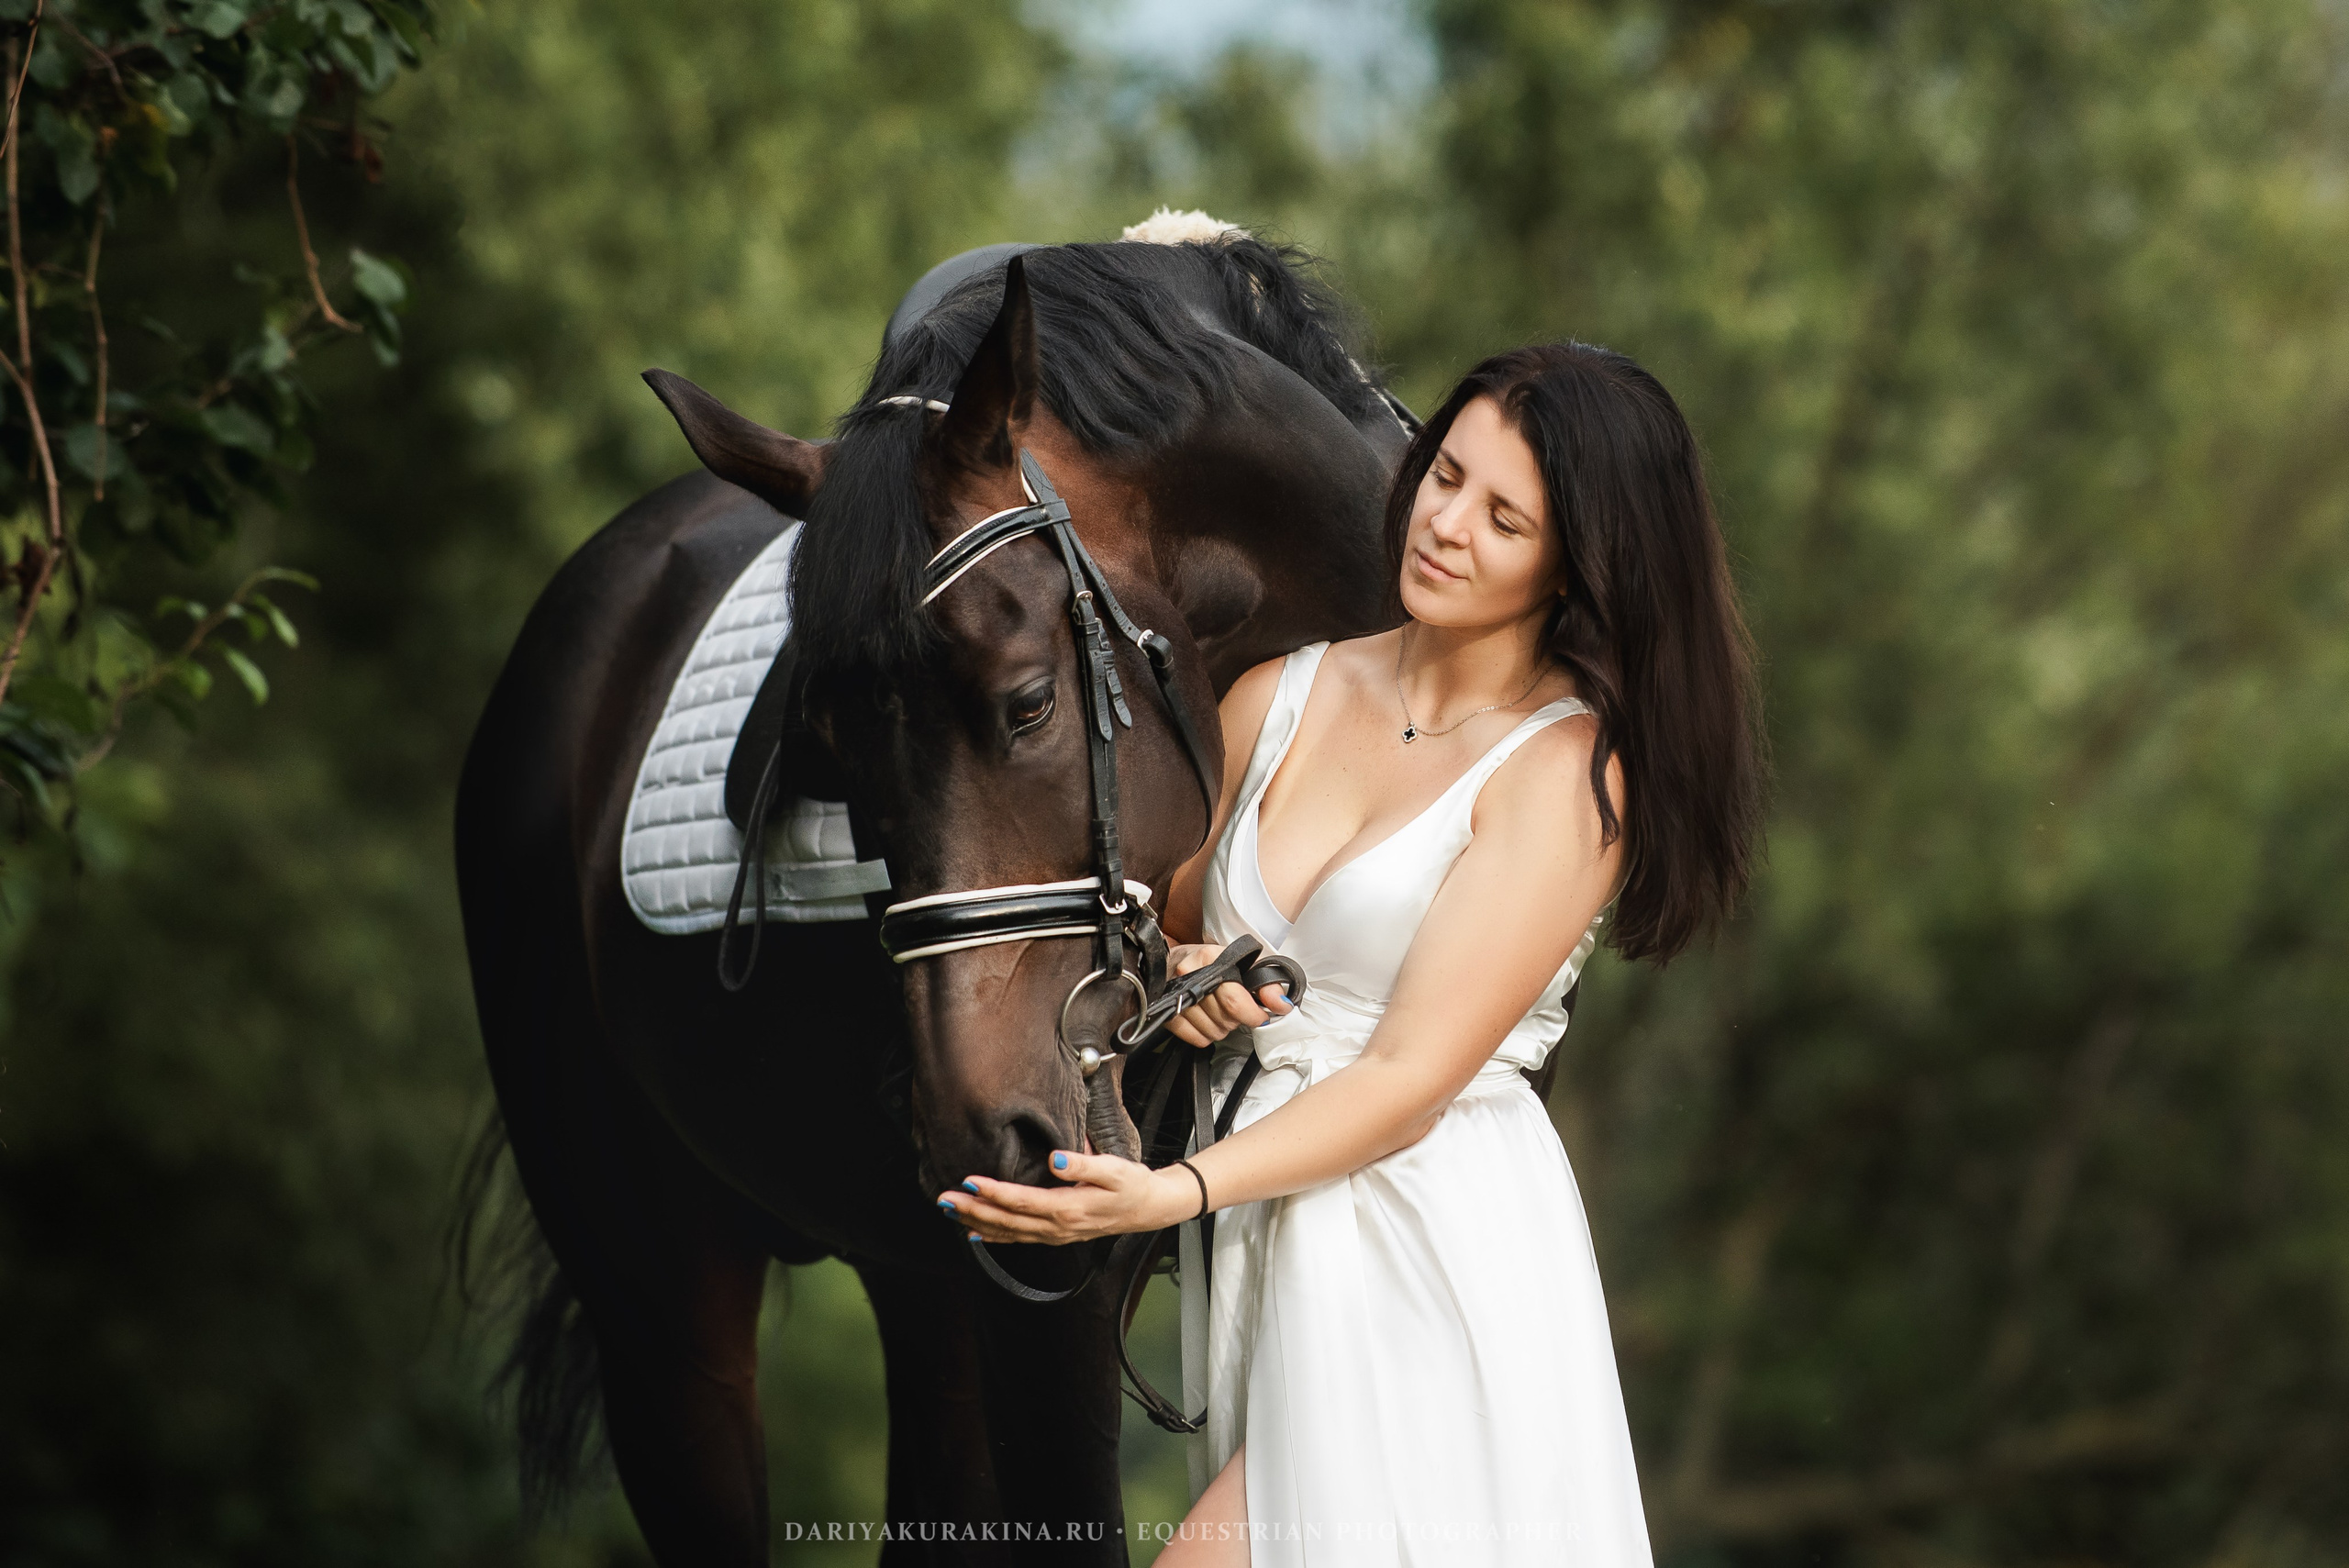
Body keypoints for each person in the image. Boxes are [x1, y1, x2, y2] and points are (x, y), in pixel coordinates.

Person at [937, 342, 1764, 1564]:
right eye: (1447, 476)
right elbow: (1160, 926)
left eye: (1505, 519)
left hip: (1426, 1249)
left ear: (1578, 562)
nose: (1447, 525)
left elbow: (1408, 1077)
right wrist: (1183, 974)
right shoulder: (1275, 695)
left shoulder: (1562, 774)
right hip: (1277, 1238)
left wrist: (1171, 1192)